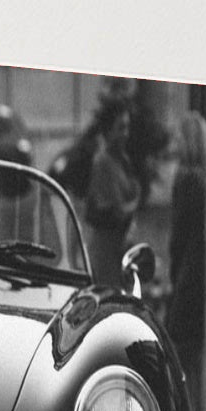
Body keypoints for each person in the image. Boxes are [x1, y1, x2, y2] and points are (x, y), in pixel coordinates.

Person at [167, 111, 206, 411]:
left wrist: (174, 281)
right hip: (200, 282)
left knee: (179, 365)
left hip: (186, 280)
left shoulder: (186, 180)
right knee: (194, 366)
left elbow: (179, 239)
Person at [84, 102, 141, 286]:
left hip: (121, 247)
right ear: (108, 131)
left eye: (127, 127)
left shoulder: (122, 159)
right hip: (106, 250)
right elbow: (118, 210)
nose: (125, 133)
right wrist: (136, 201)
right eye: (120, 128)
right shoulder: (103, 163)